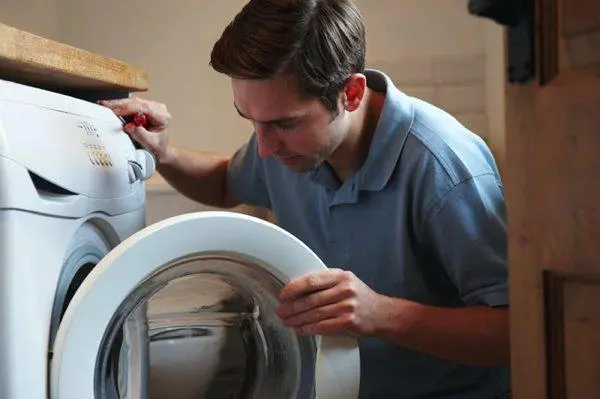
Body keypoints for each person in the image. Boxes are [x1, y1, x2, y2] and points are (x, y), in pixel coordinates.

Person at [101, 0, 510, 397]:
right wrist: (165, 153)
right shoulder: (289, 144)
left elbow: (517, 332)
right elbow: (228, 183)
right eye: (252, 121)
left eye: (284, 123)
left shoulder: (443, 167)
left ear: (350, 93)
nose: (263, 148)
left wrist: (381, 313)